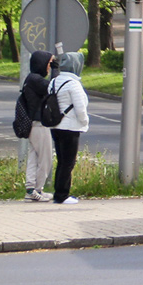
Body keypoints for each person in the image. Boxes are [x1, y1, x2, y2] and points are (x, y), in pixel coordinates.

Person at [49, 51, 90, 206]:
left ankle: (59, 193)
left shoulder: (54, 81)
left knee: (61, 161)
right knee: (68, 162)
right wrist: (85, 122)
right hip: (70, 127)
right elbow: (80, 108)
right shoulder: (73, 84)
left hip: (56, 125)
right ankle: (62, 195)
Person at [18, 50, 58, 202]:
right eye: (48, 63)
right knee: (45, 158)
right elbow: (53, 88)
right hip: (39, 124)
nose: (49, 67)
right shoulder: (36, 80)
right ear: (41, 63)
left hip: (33, 124)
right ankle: (36, 189)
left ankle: (31, 190)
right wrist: (56, 70)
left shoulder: (31, 78)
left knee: (34, 157)